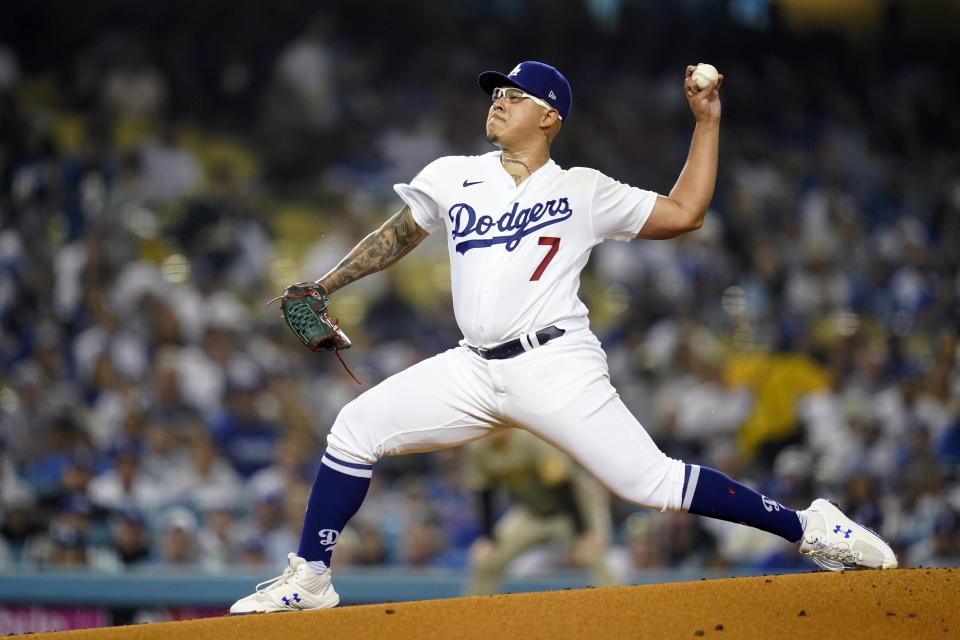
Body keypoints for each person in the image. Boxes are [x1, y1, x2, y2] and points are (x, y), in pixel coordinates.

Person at [229, 60, 897, 614]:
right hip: (472, 367)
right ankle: (310, 578)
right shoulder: (454, 174)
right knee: (353, 429)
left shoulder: (584, 189)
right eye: (496, 92)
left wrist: (706, 125)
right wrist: (325, 283)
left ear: (549, 116)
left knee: (650, 482)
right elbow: (398, 235)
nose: (498, 102)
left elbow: (686, 212)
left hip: (554, 363)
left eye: (514, 96)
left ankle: (811, 527)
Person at [463, 429, 618, 595]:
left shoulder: (530, 438)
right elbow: (485, 493)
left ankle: (619, 605)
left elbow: (563, 485)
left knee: (592, 552)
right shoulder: (477, 447)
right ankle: (472, 615)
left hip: (575, 507)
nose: (488, 427)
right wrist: (488, 538)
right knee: (486, 559)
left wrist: (583, 532)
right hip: (532, 511)